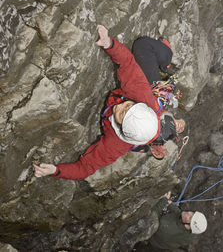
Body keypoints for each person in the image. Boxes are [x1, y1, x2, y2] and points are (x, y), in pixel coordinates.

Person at [33, 25, 184, 180]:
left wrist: (55, 171)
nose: (121, 106)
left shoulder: (115, 145)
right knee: (143, 45)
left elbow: (84, 168)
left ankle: (160, 133)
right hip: (152, 102)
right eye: (129, 105)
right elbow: (127, 63)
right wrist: (109, 44)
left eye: (122, 114)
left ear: (122, 129)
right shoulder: (141, 96)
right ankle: (166, 59)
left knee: (153, 117)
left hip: (146, 123)